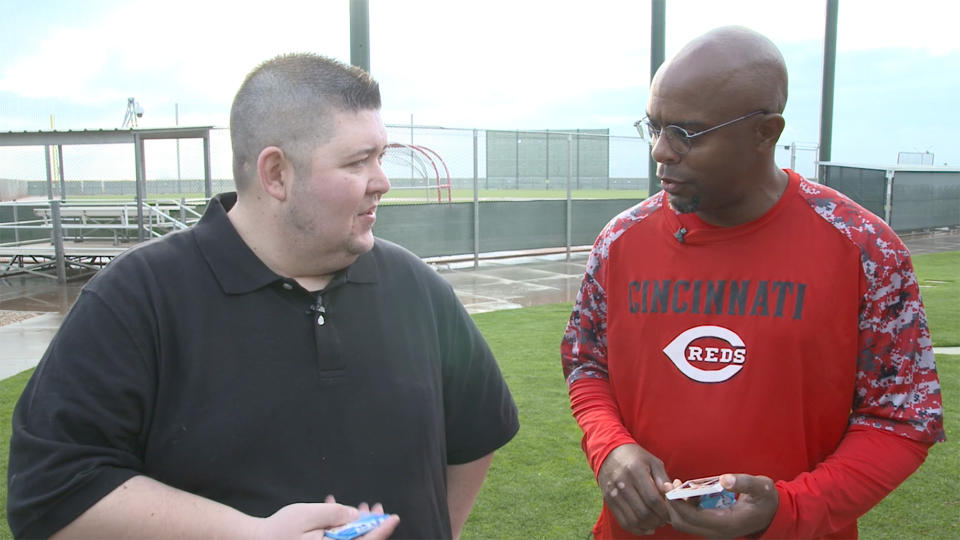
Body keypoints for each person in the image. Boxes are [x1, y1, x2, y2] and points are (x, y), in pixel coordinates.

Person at [8, 53, 519, 539]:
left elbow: (476, 432)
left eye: (380, 156)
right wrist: (248, 534)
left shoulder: (416, 289)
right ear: (276, 173)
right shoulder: (137, 300)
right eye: (358, 161)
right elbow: (53, 493)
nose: (382, 182)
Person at [561, 26, 944, 539]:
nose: (660, 152)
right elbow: (587, 362)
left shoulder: (865, 249)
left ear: (766, 132)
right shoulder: (619, 241)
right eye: (653, 127)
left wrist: (787, 510)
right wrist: (611, 447)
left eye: (687, 133)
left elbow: (902, 418)